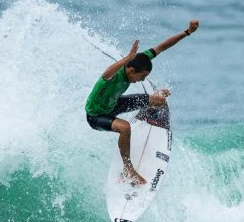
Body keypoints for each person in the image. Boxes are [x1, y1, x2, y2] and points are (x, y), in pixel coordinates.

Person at [85, 20, 199, 184]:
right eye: (142, 77)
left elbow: (162, 47)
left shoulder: (139, 61)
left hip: (115, 104)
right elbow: (106, 74)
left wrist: (187, 32)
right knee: (125, 128)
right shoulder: (114, 75)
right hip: (96, 115)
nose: (142, 80)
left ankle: (150, 107)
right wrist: (126, 58)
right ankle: (128, 170)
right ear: (131, 70)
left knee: (158, 100)